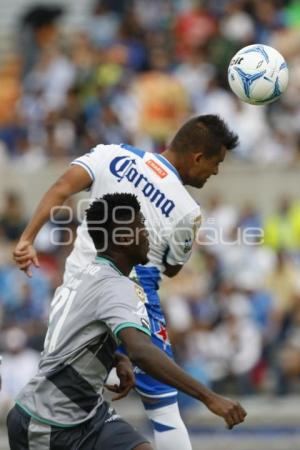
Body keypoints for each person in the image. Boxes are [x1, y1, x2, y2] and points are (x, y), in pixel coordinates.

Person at [13, 114, 239, 450]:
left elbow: (62, 185)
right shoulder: (187, 212)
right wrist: (210, 398)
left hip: (75, 299)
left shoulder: (114, 154)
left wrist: (28, 238)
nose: (215, 172)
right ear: (198, 158)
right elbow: (172, 268)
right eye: (216, 163)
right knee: (164, 408)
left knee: (63, 397)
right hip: (131, 301)